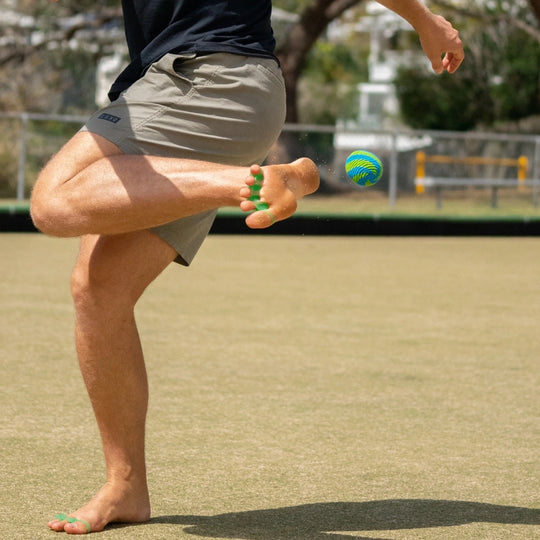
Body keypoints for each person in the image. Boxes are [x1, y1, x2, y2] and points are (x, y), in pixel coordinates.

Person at [33, 0, 464, 534]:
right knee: (98, 291)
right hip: (182, 83)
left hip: (209, 82)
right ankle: (126, 487)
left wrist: (424, 20)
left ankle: (259, 181)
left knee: (54, 202)